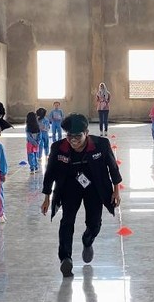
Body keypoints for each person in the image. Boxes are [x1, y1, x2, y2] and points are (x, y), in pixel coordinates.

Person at [41, 113, 122, 277]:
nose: (73, 140)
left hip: (94, 188)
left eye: (77, 136)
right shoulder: (58, 148)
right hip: (69, 187)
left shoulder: (101, 145)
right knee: (66, 222)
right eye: (69, 136)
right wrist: (47, 197)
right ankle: (66, 258)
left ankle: (87, 240)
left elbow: (113, 168)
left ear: (86, 133)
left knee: (94, 223)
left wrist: (116, 191)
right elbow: (50, 173)